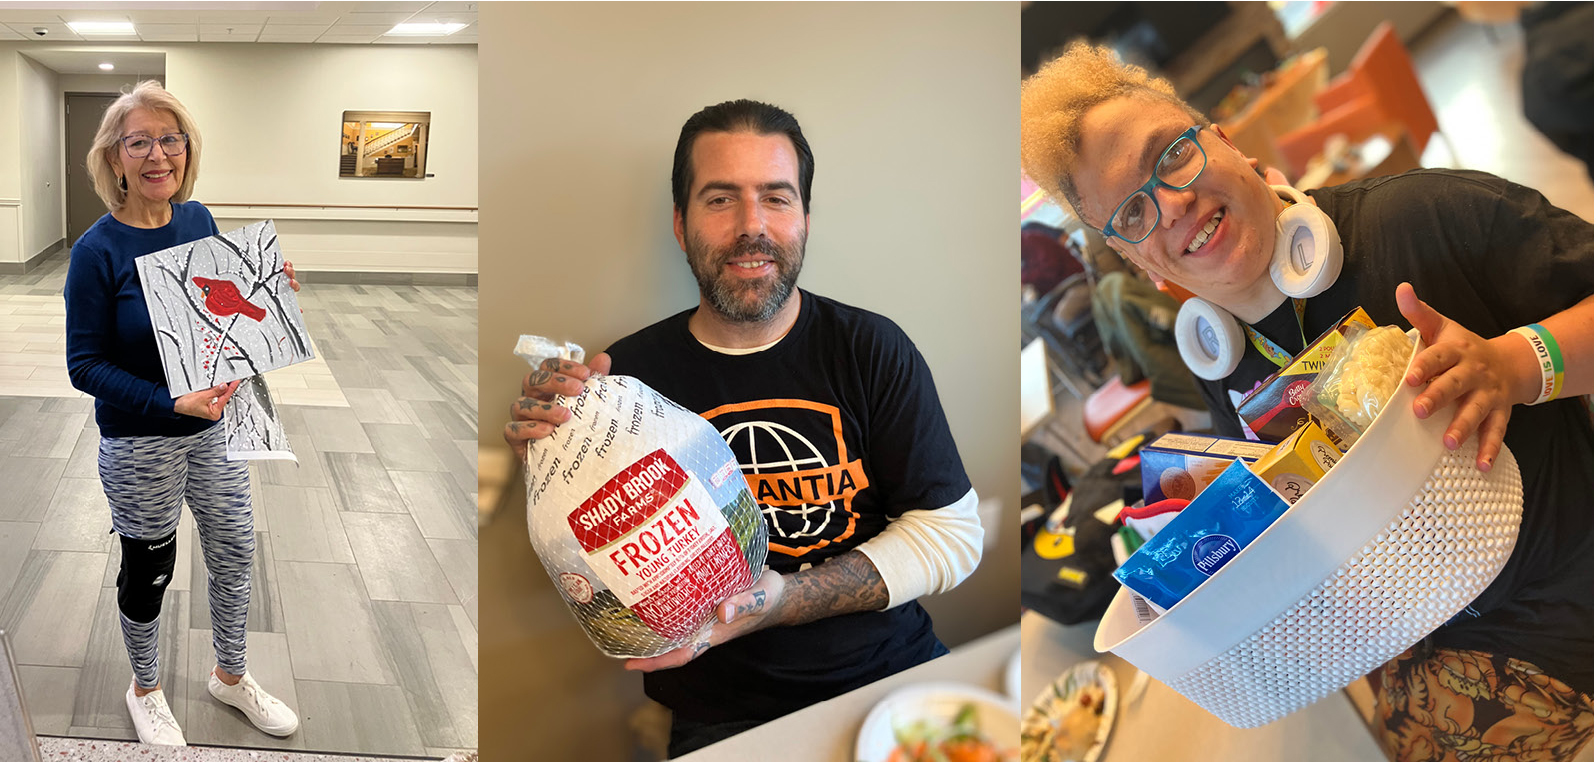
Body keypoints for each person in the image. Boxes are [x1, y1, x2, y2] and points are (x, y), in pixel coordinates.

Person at [1021, 43, 1593, 761]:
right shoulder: (1222, 361)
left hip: (1566, 585)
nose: (1171, 204)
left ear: (1223, 141)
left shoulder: (1423, 218)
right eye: (1132, 214)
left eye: (1170, 156)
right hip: (1425, 622)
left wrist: (1512, 363)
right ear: (1135, 259)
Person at [505, 99, 983, 757]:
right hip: (723, 713)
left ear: (806, 220)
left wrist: (782, 598)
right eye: (721, 199)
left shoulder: (869, 347)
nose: (751, 226)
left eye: (777, 199)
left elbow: (953, 535)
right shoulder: (626, 384)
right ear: (681, 224)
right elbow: (594, 568)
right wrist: (552, 450)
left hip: (893, 673)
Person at [64, 81, 301, 746]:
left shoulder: (198, 221)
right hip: (141, 440)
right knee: (151, 568)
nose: (157, 154)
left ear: (186, 150)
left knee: (233, 553)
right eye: (138, 141)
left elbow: (211, 314)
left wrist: (267, 296)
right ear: (115, 158)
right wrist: (168, 399)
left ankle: (230, 674)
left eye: (170, 139)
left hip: (216, 428)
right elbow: (84, 367)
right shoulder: (96, 252)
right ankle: (145, 687)